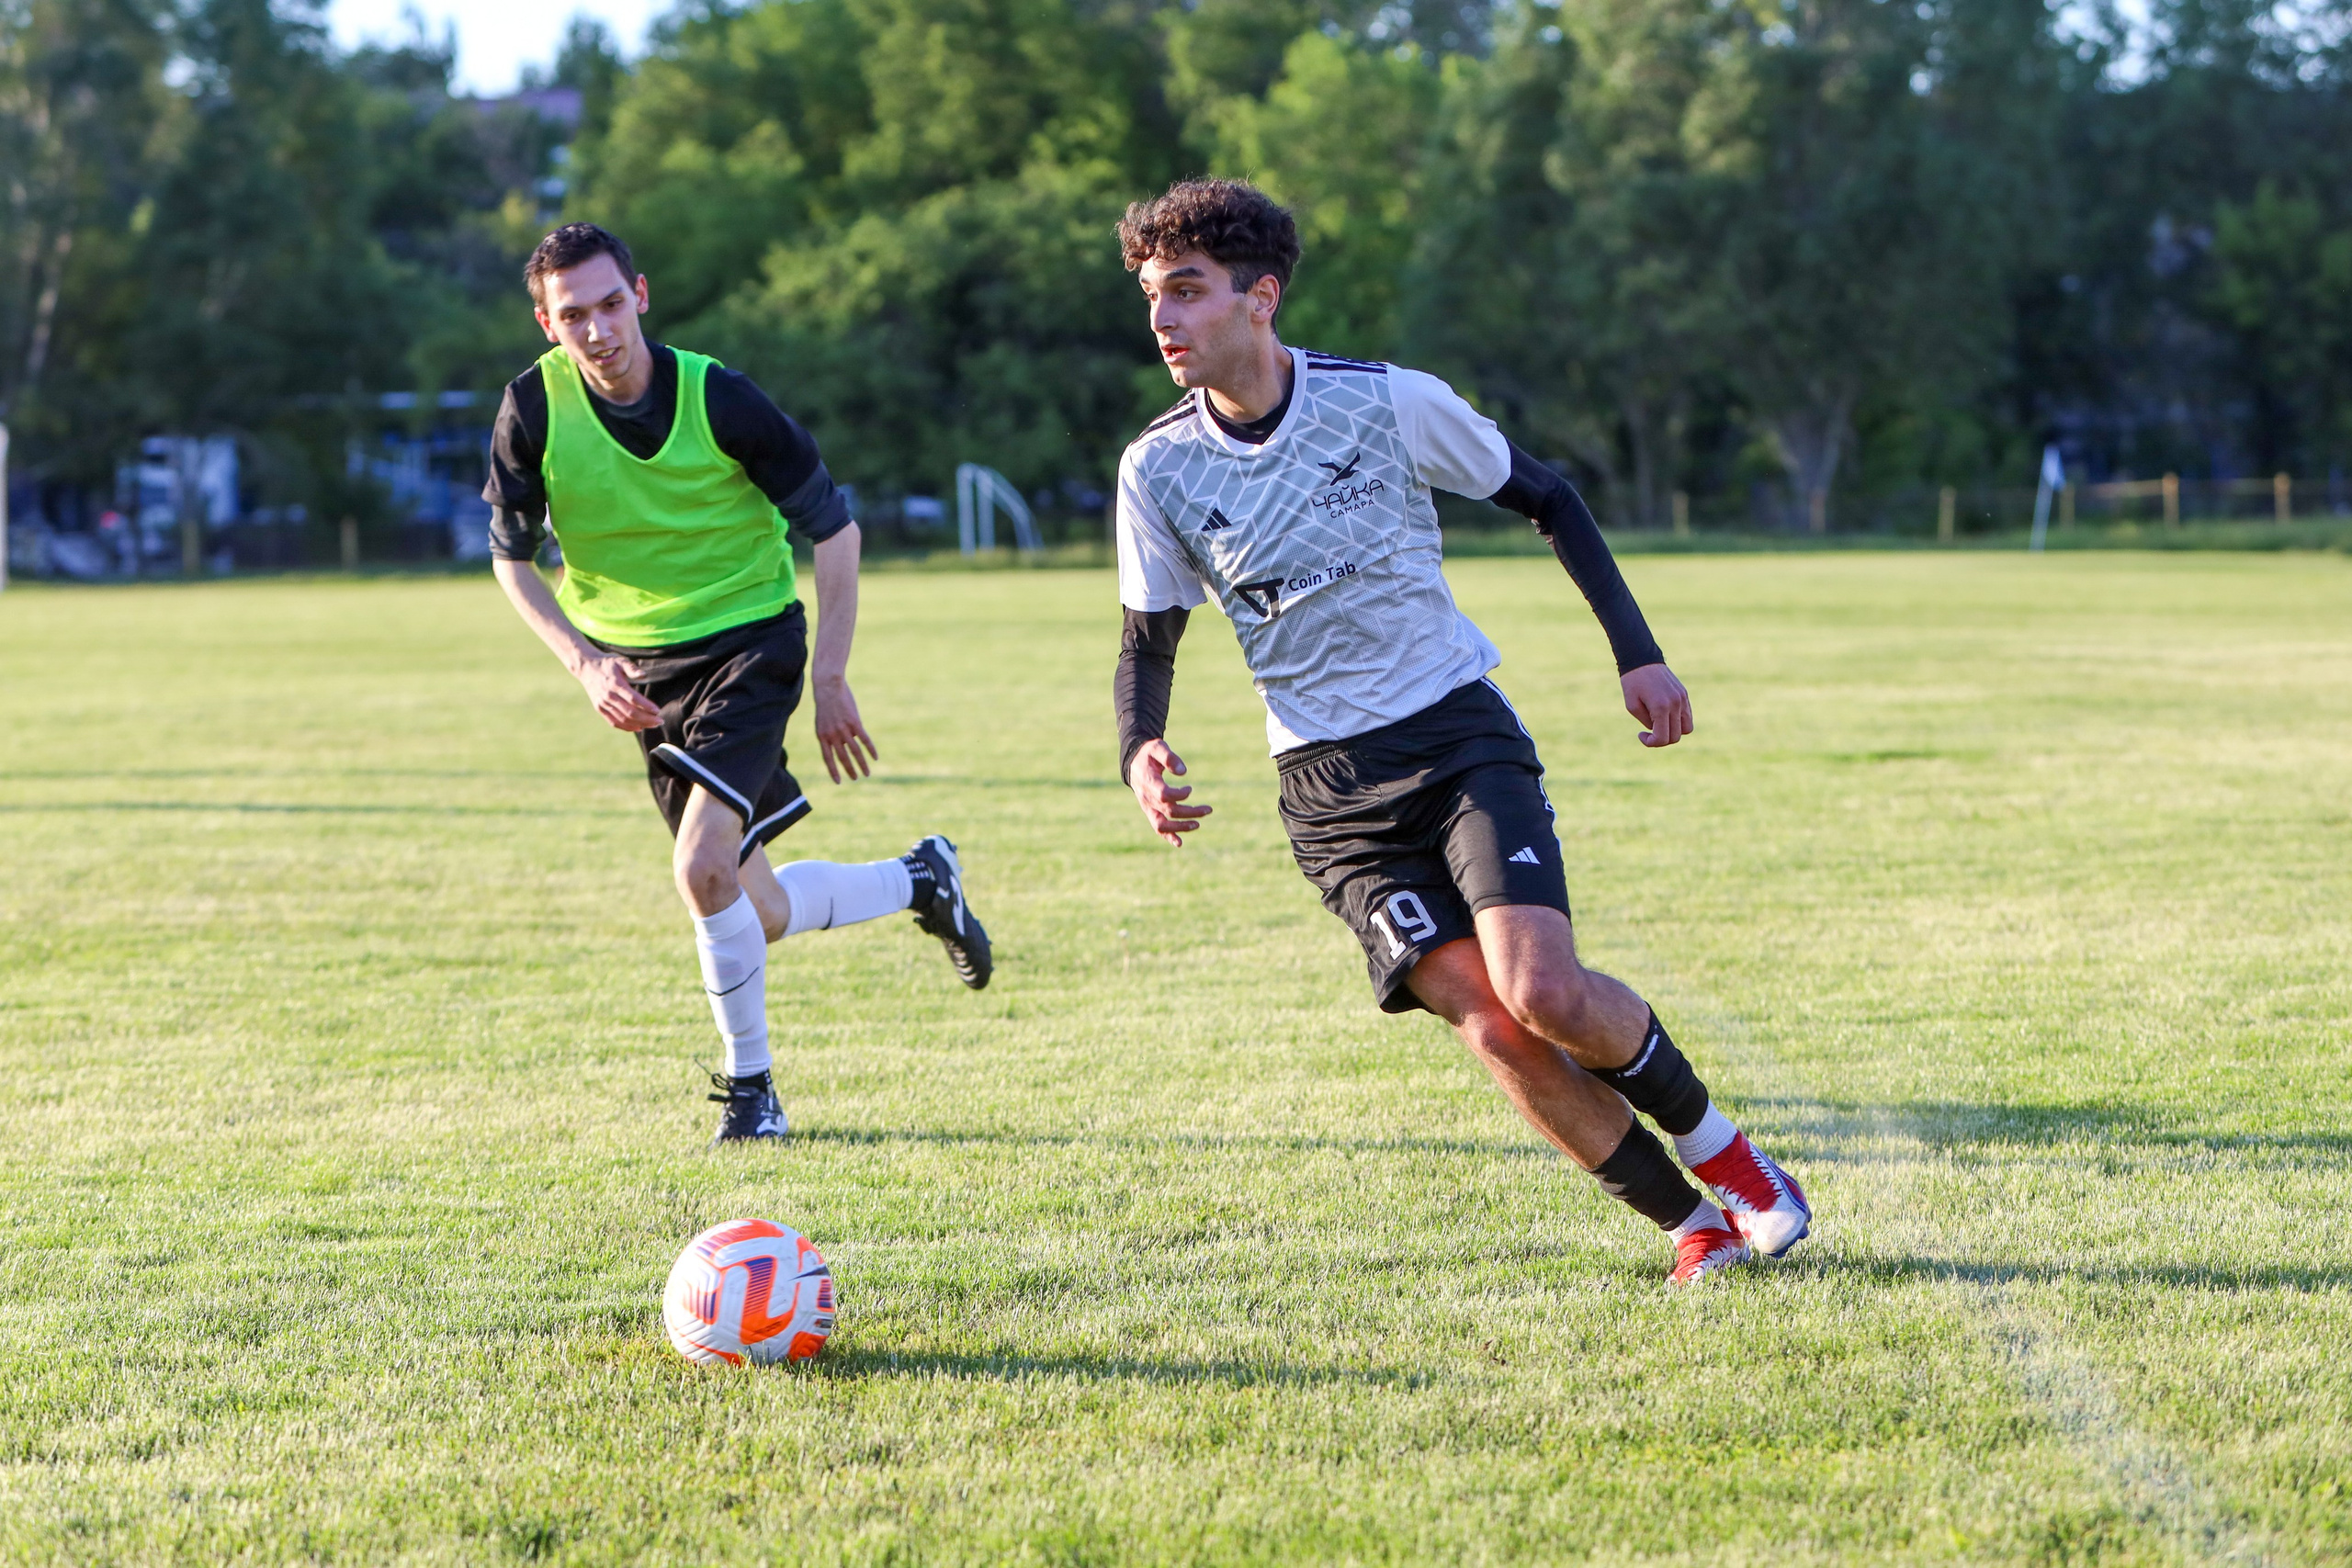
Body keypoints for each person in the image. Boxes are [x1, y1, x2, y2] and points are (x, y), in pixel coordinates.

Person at [1110, 181, 1809, 1285]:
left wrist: (1638, 652)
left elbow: (1550, 497)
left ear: (1261, 298)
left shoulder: (1386, 402)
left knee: (1542, 990)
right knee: (1490, 1026)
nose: (1163, 319)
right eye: (1152, 296)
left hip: (1452, 735)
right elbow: (1148, 638)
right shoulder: (1156, 467)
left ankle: (1736, 1162)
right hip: (1326, 789)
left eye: (1187, 293)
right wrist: (1139, 747)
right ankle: (1693, 1228)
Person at [485, 222, 991, 1145]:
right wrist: (586, 664)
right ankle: (923, 881)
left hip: (751, 645)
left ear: (640, 295)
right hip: (642, 672)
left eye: (609, 305)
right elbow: (511, 562)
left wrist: (830, 675)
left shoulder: (719, 397)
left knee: (698, 868)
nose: (597, 331)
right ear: (545, 323)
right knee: (758, 907)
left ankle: (752, 1093)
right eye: (573, 316)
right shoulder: (529, 411)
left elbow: (835, 531)